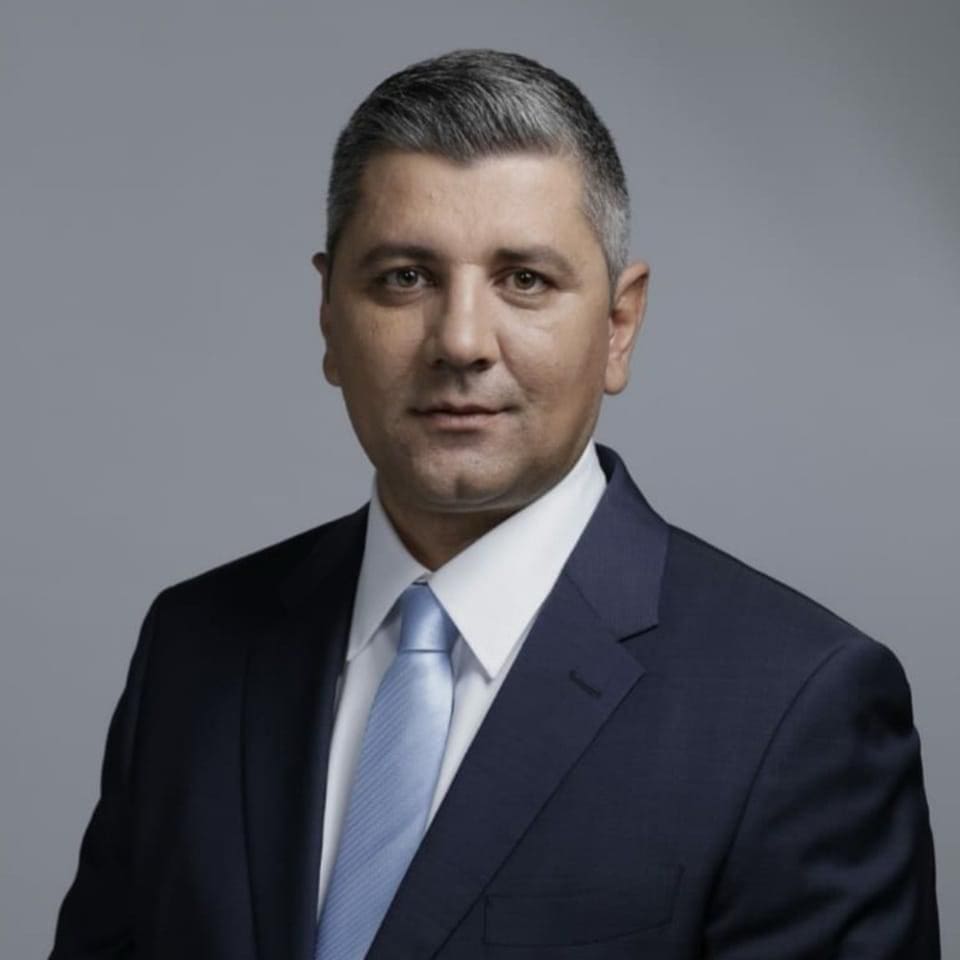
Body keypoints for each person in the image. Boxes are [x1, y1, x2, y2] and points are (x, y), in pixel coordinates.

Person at [50, 49, 939, 959]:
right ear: (328, 316)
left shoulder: (797, 706)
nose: (462, 341)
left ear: (619, 326)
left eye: (525, 280)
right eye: (405, 277)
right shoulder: (193, 648)